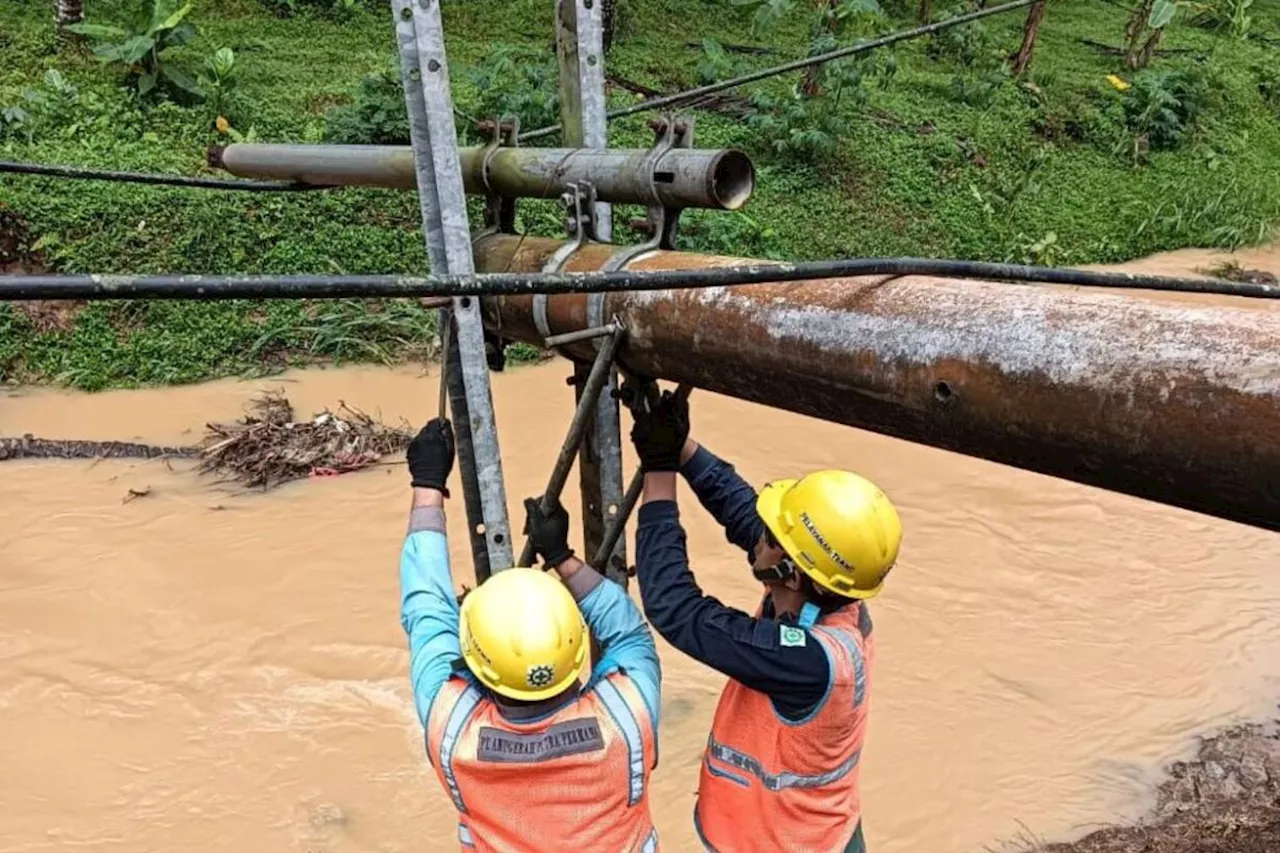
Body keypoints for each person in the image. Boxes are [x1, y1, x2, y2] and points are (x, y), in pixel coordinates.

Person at [627, 390, 903, 853]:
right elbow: (742, 511)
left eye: (773, 536)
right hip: (805, 833)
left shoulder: (810, 664)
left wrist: (658, 472)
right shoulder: (826, 596)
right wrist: (681, 447)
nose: (760, 533)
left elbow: (676, 608)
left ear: (791, 571)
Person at [398, 417, 663, 853]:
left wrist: (428, 485)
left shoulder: (453, 729)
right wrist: (562, 557)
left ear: (476, 662)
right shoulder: (626, 717)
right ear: (576, 649)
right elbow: (630, 634)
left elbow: (426, 607)